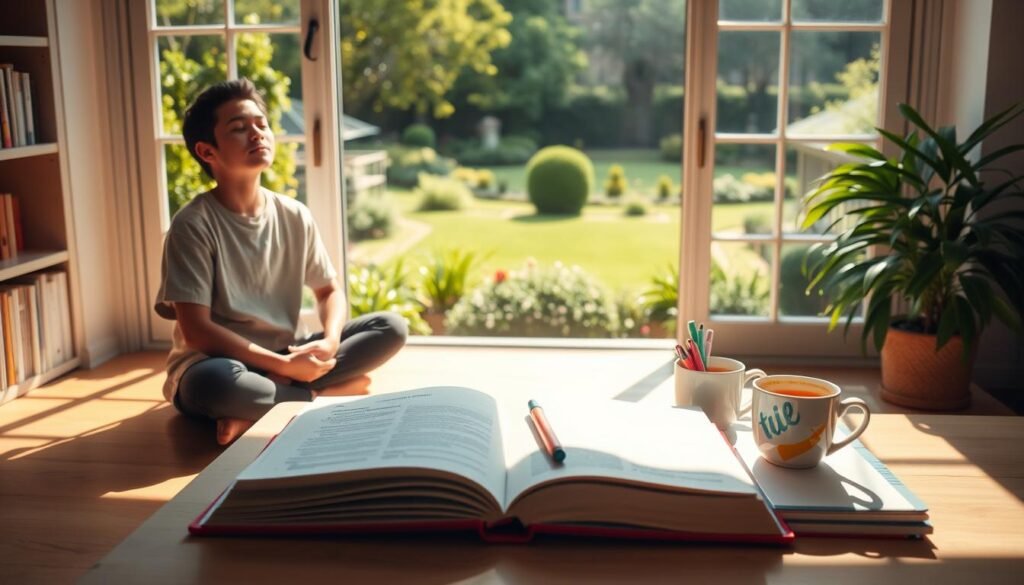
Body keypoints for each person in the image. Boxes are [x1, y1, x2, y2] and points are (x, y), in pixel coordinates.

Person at [154, 78, 406, 445]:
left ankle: (257, 411)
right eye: (240, 128)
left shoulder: (293, 214)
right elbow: (197, 332)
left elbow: (328, 290)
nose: (257, 134)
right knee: (213, 387)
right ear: (207, 152)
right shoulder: (192, 225)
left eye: (261, 124)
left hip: (284, 353)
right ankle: (322, 397)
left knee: (390, 327)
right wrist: (286, 369)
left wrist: (331, 342)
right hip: (219, 364)